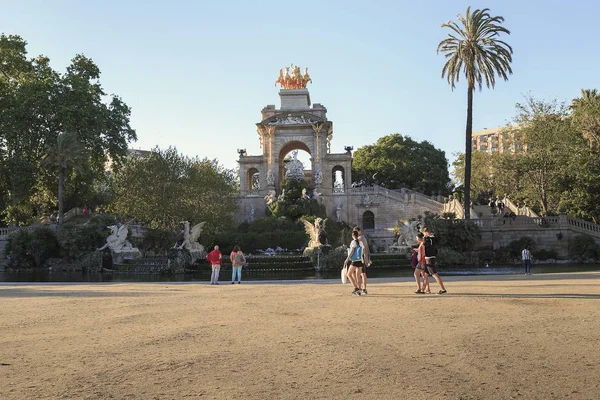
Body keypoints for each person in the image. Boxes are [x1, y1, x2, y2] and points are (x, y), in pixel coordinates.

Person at [422, 227, 447, 294]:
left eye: (424, 233)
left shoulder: (430, 239)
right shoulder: (434, 238)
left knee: (434, 274)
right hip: (429, 257)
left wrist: (424, 238)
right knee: (425, 274)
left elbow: (425, 244)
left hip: (430, 258)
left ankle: (443, 289)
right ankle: (425, 289)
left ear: (426, 232)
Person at [344, 230, 364, 296]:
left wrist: (347, 259)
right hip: (360, 260)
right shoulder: (361, 242)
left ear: (353, 236)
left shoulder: (353, 242)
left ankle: (356, 288)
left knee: (349, 274)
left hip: (354, 261)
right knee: (358, 276)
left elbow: (352, 251)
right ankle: (359, 290)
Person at [353, 226, 371, 295]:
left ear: (358, 232)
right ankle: (363, 289)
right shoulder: (363, 237)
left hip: (361, 258)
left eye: (355, 232)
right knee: (362, 274)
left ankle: (360, 289)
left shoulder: (359, 238)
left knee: (360, 274)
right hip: (364, 257)